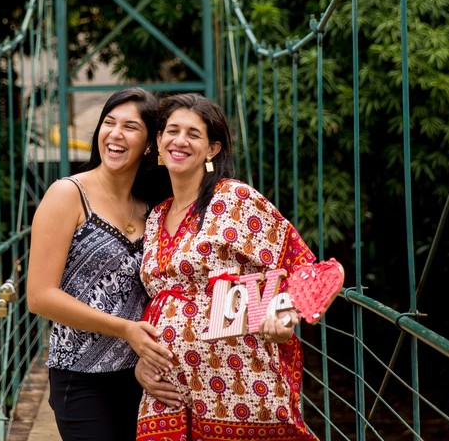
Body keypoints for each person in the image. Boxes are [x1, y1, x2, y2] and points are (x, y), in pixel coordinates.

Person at [133, 92, 320, 441]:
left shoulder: (234, 198)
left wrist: (283, 317)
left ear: (212, 149)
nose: (180, 141)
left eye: (193, 134)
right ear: (158, 141)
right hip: (166, 388)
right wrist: (139, 364)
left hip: (237, 384)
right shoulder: (156, 216)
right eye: (172, 131)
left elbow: (300, 264)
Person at [28, 87, 176, 441]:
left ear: (150, 145)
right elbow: (39, 297)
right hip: (80, 375)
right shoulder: (68, 194)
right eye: (109, 123)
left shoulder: (154, 208)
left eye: (130, 127)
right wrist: (125, 329)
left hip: (142, 374)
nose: (115, 133)